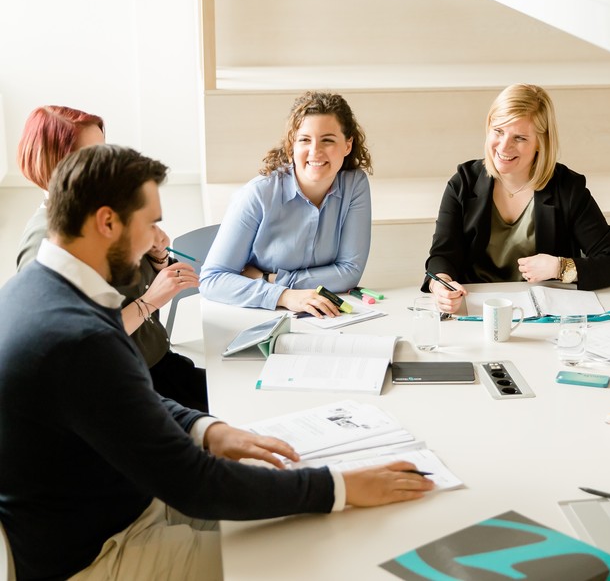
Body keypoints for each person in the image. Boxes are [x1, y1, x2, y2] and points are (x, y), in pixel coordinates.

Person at [0, 144, 433, 580]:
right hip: (103, 554)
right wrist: (341, 486)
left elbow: (121, 397)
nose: (156, 239)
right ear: (107, 222)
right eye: (150, 223)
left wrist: (206, 428)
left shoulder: (37, 290)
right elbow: (195, 486)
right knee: (316, 553)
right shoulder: (78, 338)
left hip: (114, 507)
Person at [16, 105, 208, 411]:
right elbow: (73, 347)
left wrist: (158, 258)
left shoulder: (103, 212)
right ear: (57, 165)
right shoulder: (43, 245)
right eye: (92, 157)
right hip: (121, 385)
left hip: (158, 364)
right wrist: (150, 302)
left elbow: (136, 289)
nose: (108, 167)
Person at [423, 83, 610, 314]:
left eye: (520, 138)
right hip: (476, 311)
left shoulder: (567, 188)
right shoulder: (463, 182)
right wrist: (441, 284)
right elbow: (443, 254)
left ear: (540, 143)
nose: (504, 147)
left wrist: (561, 267)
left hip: (544, 319)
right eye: (498, 131)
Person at [199, 91, 373, 318]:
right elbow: (212, 279)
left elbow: (350, 272)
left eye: (328, 140)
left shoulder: (355, 185)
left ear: (347, 145)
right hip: (259, 315)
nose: (315, 151)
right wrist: (284, 296)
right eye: (304, 139)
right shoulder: (258, 194)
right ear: (292, 145)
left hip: (320, 316)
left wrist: (269, 279)